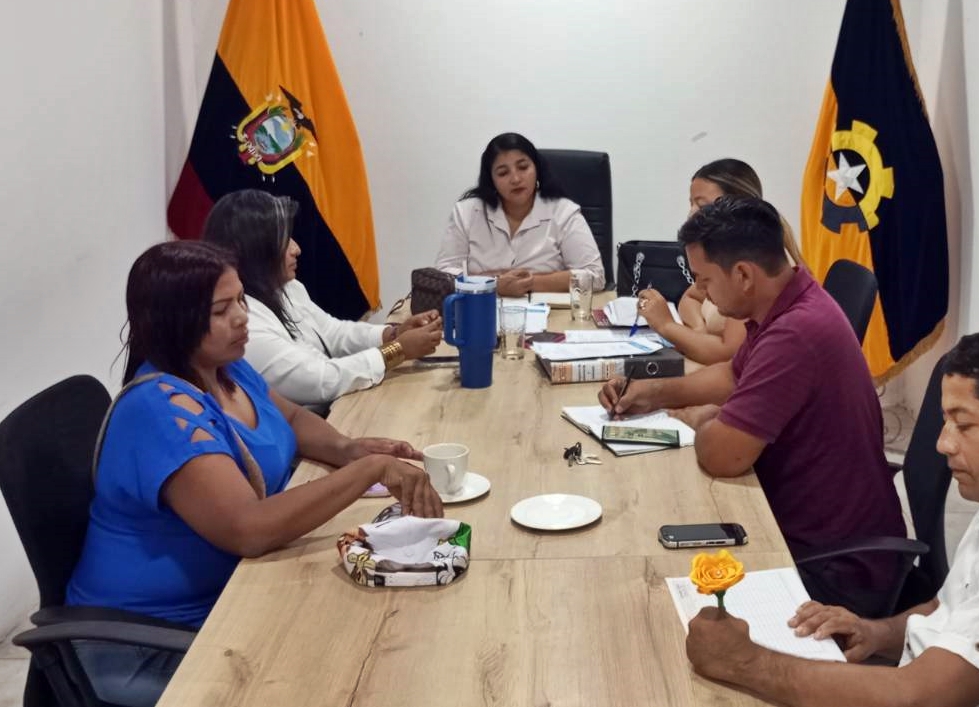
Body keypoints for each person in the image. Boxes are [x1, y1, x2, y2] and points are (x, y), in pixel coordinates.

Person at [685, 327, 979, 707]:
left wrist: (745, 663)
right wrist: (876, 632)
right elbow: (951, 609)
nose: (943, 443)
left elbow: (916, 697)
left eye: (964, 425)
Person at [66, 241, 443, 707]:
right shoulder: (161, 411)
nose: (242, 317)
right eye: (221, 310)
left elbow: (290, 418)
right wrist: (369, 469)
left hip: (232, 597)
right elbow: (250, 529)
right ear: (172, 320)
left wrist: (348, 449)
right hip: (152, 645)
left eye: (241, 299)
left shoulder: (225, 368)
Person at [600, 196, 904, 610]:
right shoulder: (790, 298)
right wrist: (650, 393)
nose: (701, 291)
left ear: (743, 274)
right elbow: (731, 374)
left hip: (832, 569)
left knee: (644, 590)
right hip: (816, 532)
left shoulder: (794, 334)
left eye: (705, 280)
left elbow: (722, 456)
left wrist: (707, 418)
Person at [203, 189, 442, 413]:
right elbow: (319, 380)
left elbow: (333, 332)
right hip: (307, 430)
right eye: (284, 240)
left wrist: (393, 333)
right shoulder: (246, 324)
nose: (296, 249)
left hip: (332, 410)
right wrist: (397, 350)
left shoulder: (286, 288)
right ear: (256, 249)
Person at [637, 158, 805, 364]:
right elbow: (691, 296)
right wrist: (698, 330)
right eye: (691, 203)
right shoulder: (725, 254)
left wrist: (666, 326)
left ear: (734, 206)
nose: (691, 213)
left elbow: (730, 355)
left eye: (702, 205)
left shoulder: (752, 263)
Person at [434, 132, 604, 297]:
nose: (515, 179)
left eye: (523, 167)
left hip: (548, 310)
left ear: (537, 169)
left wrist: (530, 282)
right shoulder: (467, 212)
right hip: (482, 307)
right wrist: (495, 285)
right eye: (503, 173)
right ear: (491, 180)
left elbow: (595, 277)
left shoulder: (563, 212)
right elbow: (443, 277)